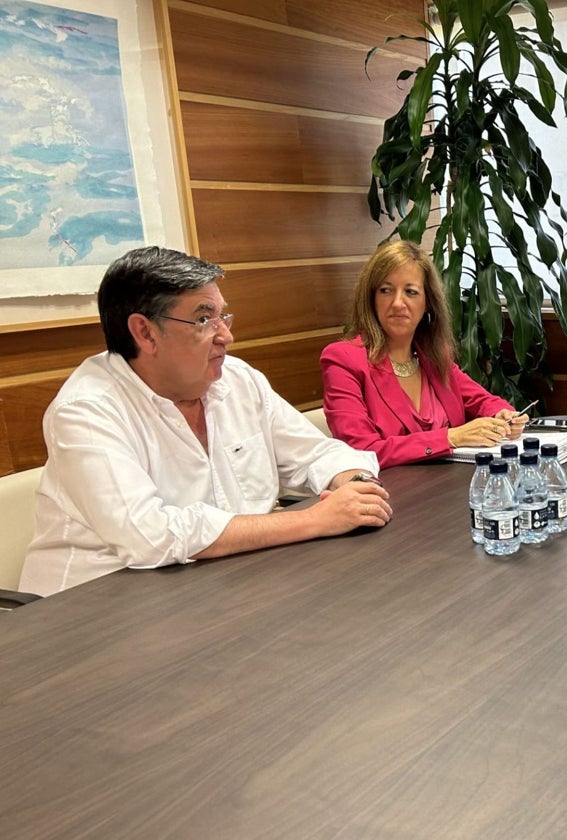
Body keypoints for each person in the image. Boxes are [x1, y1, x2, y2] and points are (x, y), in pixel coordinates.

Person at [21, 247, 392, 596]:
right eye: (203, 319)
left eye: (222, 316)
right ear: (145, 332)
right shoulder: (87, 411)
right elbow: (151, 537)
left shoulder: (237, 379)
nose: (226, 336)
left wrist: (354, 485)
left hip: (220, 588)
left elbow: (316, 454)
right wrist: (315, 520)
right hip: (91, 613)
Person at [320, 240, 528, 467]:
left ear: (428, 302)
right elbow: (361, 451)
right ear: (371, 298)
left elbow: (483, 401)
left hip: (449, 489)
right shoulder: (343, 360)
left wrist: (504, 415)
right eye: (386, 290)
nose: (398, 303)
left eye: (411, 292)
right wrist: (451, 437)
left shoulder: (433, 357)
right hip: (388, 496)